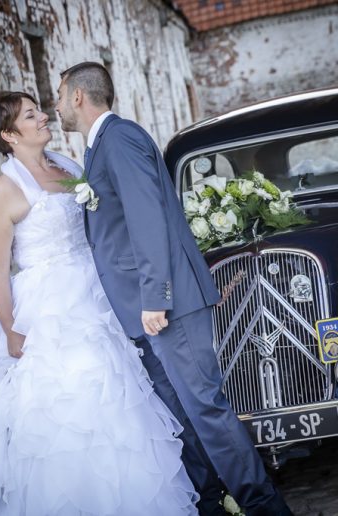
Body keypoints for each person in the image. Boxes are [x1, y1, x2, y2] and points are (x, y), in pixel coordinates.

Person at [0, 91, 200, 516]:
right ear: (9, 134)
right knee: (78, 400)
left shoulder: (68, 165)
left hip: (101, 292)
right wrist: (10, 329)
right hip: (54, 311)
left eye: (40, 110)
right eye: (31, 115)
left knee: (128, 394)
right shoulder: (4, 191)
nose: (44, 117)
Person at [56, 62, 293, 516]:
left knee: (206, 409)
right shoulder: (100, 147)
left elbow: (147, 220)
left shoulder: (118, 140)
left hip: (166, 306)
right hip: (144, 311)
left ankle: (264, 507)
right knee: (179, 416)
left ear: (79, 97)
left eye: (59, 95)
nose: (57, 105)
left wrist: (155, 298)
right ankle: (212, 504)